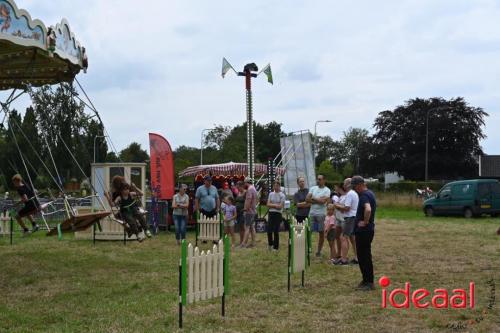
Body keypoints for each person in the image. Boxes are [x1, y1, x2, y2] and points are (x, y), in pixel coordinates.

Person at [351, 175, 377, 291]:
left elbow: (368, 209)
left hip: (364, 231)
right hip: (367, 231)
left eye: (355, 186)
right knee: (364, 256)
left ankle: (368, 282)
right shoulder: (370, 193)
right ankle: (366, 280)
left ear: (361, 185)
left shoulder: (364, 196)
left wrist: (365, 222)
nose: (355, 189)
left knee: (364, 256)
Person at [334, 178, 359, 265]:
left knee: (343, 237)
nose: (343, 185)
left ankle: (343, 260)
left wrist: (336, 205)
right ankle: (357, 257)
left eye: (344, 183)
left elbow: (347, 208)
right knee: (352, 238)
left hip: (350, 218)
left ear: (348, 184)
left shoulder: (350, 194)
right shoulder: (353, 193)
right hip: (353, 217)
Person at [306, 174, 331, 257]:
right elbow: (307, 199)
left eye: (320, 179)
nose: (318, 180)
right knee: (309, 231)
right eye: (317, 179)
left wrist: (313, 198)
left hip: (321, 214)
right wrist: (319, 199)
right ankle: (308, 249)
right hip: (312, 213)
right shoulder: (313, 188)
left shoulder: (327, 190)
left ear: (324, 180)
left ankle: (319, 251)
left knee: (321, 233)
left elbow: (323, 202)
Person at [267, 181, 285, 251]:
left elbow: (280, 207)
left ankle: (276, 247)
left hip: (278, 214)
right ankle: (270, 244)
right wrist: (275, 205)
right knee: (269, 230)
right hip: (271, 213)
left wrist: (272, 205)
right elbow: (268, 204)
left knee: (276, 230)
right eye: (274, 186)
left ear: (279, 187)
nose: (275, 187)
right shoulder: (271, 194)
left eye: (277, 186)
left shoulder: (282, 195)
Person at [241, 177, 257, 248]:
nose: (244, 184)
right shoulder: (254, 188)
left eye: (244, 183)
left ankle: (243, 244)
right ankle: (253, 243)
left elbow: (248, 200)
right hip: (253, 211)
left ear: (246, 182)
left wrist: (245, 209)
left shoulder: (249, 190)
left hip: (249, 211)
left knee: (246, 227)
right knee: (252, 227)